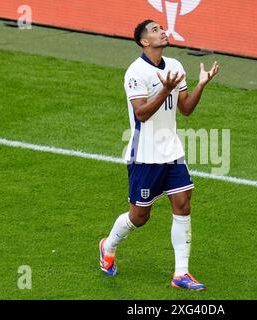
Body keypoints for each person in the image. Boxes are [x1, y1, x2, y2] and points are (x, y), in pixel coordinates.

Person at [99, 19, 219, 291]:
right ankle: (109, 245)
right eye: (155, 30)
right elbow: (141, 113)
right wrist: (165, 88)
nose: (162, 31)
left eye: (162, 28)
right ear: (144, 41)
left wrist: (201, 85)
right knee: (140, 217)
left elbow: (185, 109)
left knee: (183, 203)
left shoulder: (175, 66)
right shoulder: (135, 73)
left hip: (172, 151)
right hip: (145, 154)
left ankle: (181, 274)